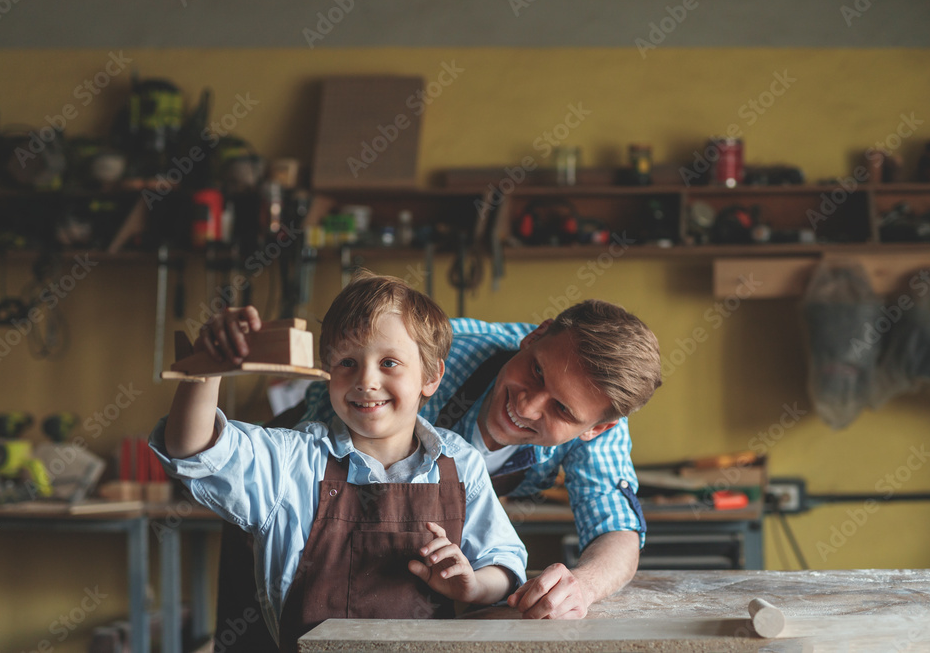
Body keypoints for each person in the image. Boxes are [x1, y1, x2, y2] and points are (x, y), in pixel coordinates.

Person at [150, 272, 528, 650]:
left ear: (431, 377)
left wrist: (474, 585)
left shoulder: (461, 464)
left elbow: (505, 563)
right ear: (327, 371)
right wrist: (206, 369)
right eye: (347, 361)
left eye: (390, 363)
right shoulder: (293, 462)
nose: (366, 380)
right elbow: (194, 451)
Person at [300, 299, 663, 619]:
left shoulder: (601, 414)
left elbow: (615, 529)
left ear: (596, 430)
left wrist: (582, 586)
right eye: (537, 371)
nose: (526, 405)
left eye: (562, 409)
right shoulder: (429, 357)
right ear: (535, 337)